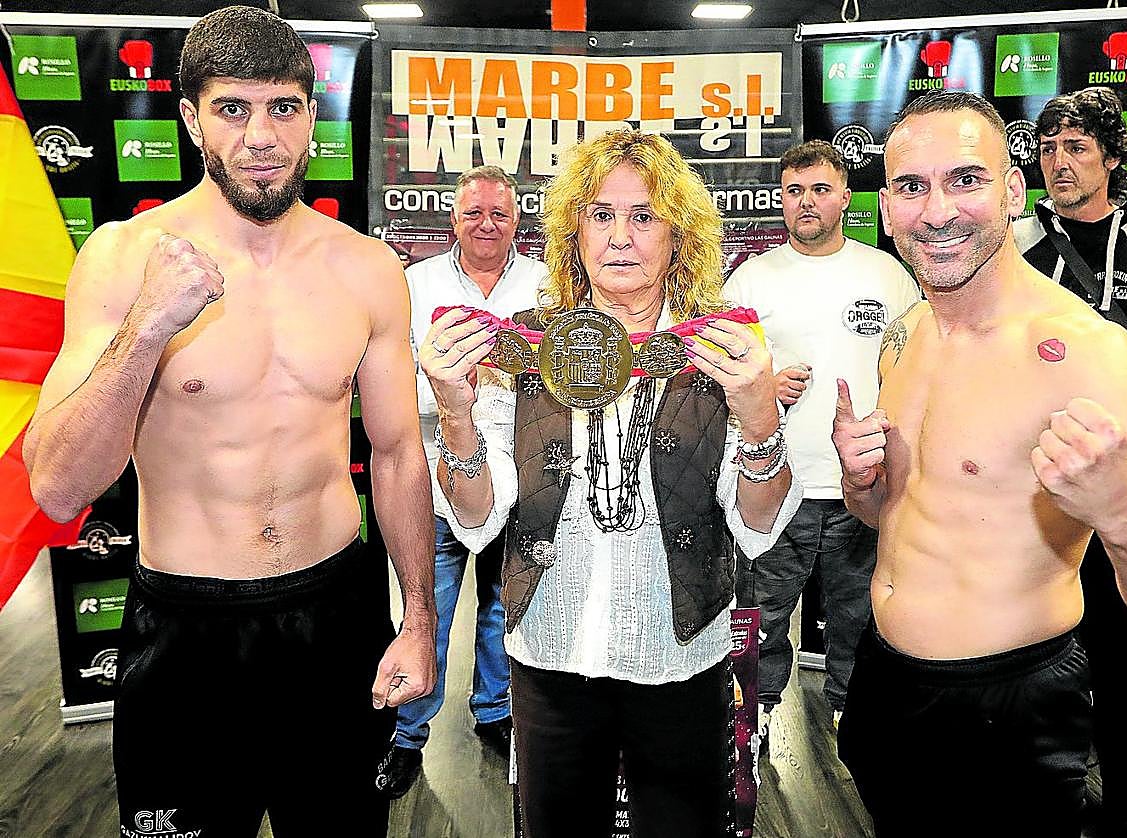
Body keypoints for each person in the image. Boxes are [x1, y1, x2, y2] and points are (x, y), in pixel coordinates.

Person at [21, 7, 435, 836]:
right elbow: (59, 486)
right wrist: (147, 327)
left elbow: (395, 455)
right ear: (190, 118)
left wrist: (418, 620)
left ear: (311, 115)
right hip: (186, 632)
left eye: (283, 107)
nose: (261, 136)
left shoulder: (367, 268)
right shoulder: (124, 256)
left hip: (335, 614)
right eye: (233, 109)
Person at [831, 90, 1127, 838]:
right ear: (887, 204)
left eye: (965, 179)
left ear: (1011, 190)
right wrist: (862, 485)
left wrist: (1122, 507)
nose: (936, 211)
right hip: (884, 685)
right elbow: (900, 517)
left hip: (1008, 708)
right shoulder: (903, 336)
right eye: (911, 186)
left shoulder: (1091, 354)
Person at [421, 129, 802, 837]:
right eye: (601, 215)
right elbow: (477, 515)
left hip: (682, 654)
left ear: (676, 234)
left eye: (643, 216)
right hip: (550, 653)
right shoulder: (525, 342)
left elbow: (754, 523)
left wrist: (758, 421)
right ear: (573, 232)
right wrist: (455, 414)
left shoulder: (717, 347)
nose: (620, 237)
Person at [1014, 86, 1127, 838]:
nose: (1058, 163)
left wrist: (1079, 368)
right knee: (1031, 644)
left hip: (1121, 477)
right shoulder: (1016, 238)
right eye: (1049, 149)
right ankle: (1039, 797)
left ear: (1113, 158)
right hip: (1029, 481)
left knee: (1119, 652)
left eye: (1077, 148)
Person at [724, 140, 919, 744]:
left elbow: (915, 365)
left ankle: (856, 725)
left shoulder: (886, 274)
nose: (805, 202)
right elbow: (717, 367)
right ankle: (747, 732)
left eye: (819, 189)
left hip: (863, 483)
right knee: (761, 620)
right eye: (793, 191)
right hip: (777, 484)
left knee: (860, 619)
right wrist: (763, 382)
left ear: (845, 197)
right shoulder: (752, 278)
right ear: (779, 199)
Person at [377, 165, 546, 797]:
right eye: (474, 212)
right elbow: (390, 380)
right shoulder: (415, 284)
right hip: (434, 475)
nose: (486, 225)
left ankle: (495, 713)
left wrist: (512, 375)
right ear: (454, 217)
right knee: (429, 610)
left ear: (517, 218)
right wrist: (451, 385)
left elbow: (563, 377)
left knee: (506, 609)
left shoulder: (545, 282)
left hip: (523, 475)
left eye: (499, 214)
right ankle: (406, 735)